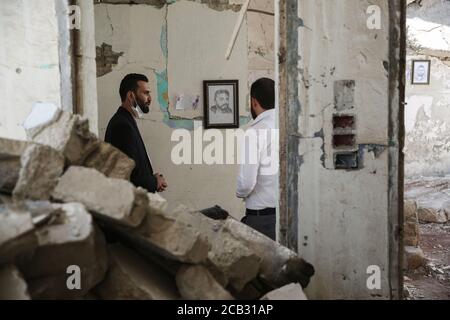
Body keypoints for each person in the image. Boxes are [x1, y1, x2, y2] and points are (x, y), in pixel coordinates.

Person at [105, 73, 167, 193]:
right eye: (146, 93)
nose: (150, 99)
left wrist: (152, 179)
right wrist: (155, 182)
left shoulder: (125, 120)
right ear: (131, 95)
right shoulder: (122, 126)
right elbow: (130, 176)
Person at [236, 78, 277, 240]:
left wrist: (240, 192)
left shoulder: (256, 131)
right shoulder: (286, 125)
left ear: (254, 101)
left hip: (261, 218)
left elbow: (246, 183)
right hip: (285, 214)